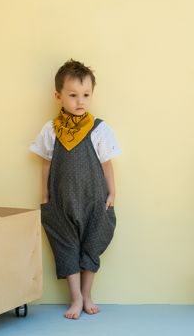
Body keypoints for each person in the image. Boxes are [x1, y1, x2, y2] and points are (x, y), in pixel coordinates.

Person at [30, 59, 122, 319]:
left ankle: (88, 293)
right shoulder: (51, 130)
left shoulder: (99, 129)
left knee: (92, 243)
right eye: (73, 95)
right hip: (61, 201)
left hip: (94, 200)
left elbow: (107, 165)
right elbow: (46, 164)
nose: (80, 101)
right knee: (65, 246)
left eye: (86, 95)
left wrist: (112, 192)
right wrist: (45, 196)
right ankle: (76, 298)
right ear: (58, 96)